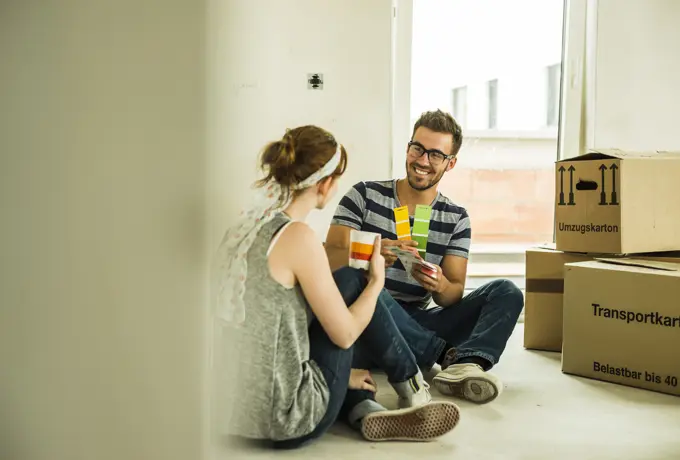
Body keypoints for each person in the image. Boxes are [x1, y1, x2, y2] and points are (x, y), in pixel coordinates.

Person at [211, 125, 460, 449]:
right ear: (326, 183)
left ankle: (362, 406)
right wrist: (375, 283)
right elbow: (343, 335)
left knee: (339, 287)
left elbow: (279, 327)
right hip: (287, 420)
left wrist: (347, 374)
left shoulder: (245, 225)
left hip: (228, 415)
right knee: (354, 282)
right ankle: (411, 385)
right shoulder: (298, 238)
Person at [325, 110, 524, 405]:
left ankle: (468, 363)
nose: (422, 161)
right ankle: (446, 357)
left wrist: (439, 284)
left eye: (435, 155)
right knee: (363, 283)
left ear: (450, 163)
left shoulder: (456, 217)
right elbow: (330, 259)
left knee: (507, 292)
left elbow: (452, 294)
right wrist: (373, 255)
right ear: (408, 148)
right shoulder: (364, 195)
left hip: (417, 321)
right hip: (364, 317)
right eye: (417, 148)